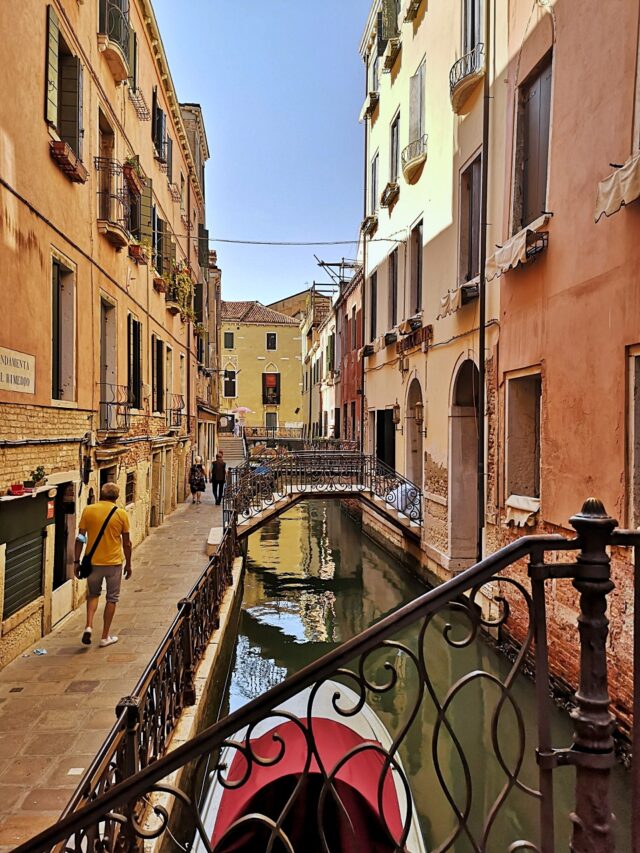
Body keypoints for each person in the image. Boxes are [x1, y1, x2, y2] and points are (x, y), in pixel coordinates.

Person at [74, 482, 131, 648]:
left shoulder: (89, 510)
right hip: (113, 563)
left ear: (101, 494)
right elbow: (127, 543)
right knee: (112, 599)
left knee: (93, 594)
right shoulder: (121, 514)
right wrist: (129, 564)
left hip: (92, 563)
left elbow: (80, 538)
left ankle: (89, 626)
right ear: (117, 497)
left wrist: (76, 561)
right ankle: (105, 636)